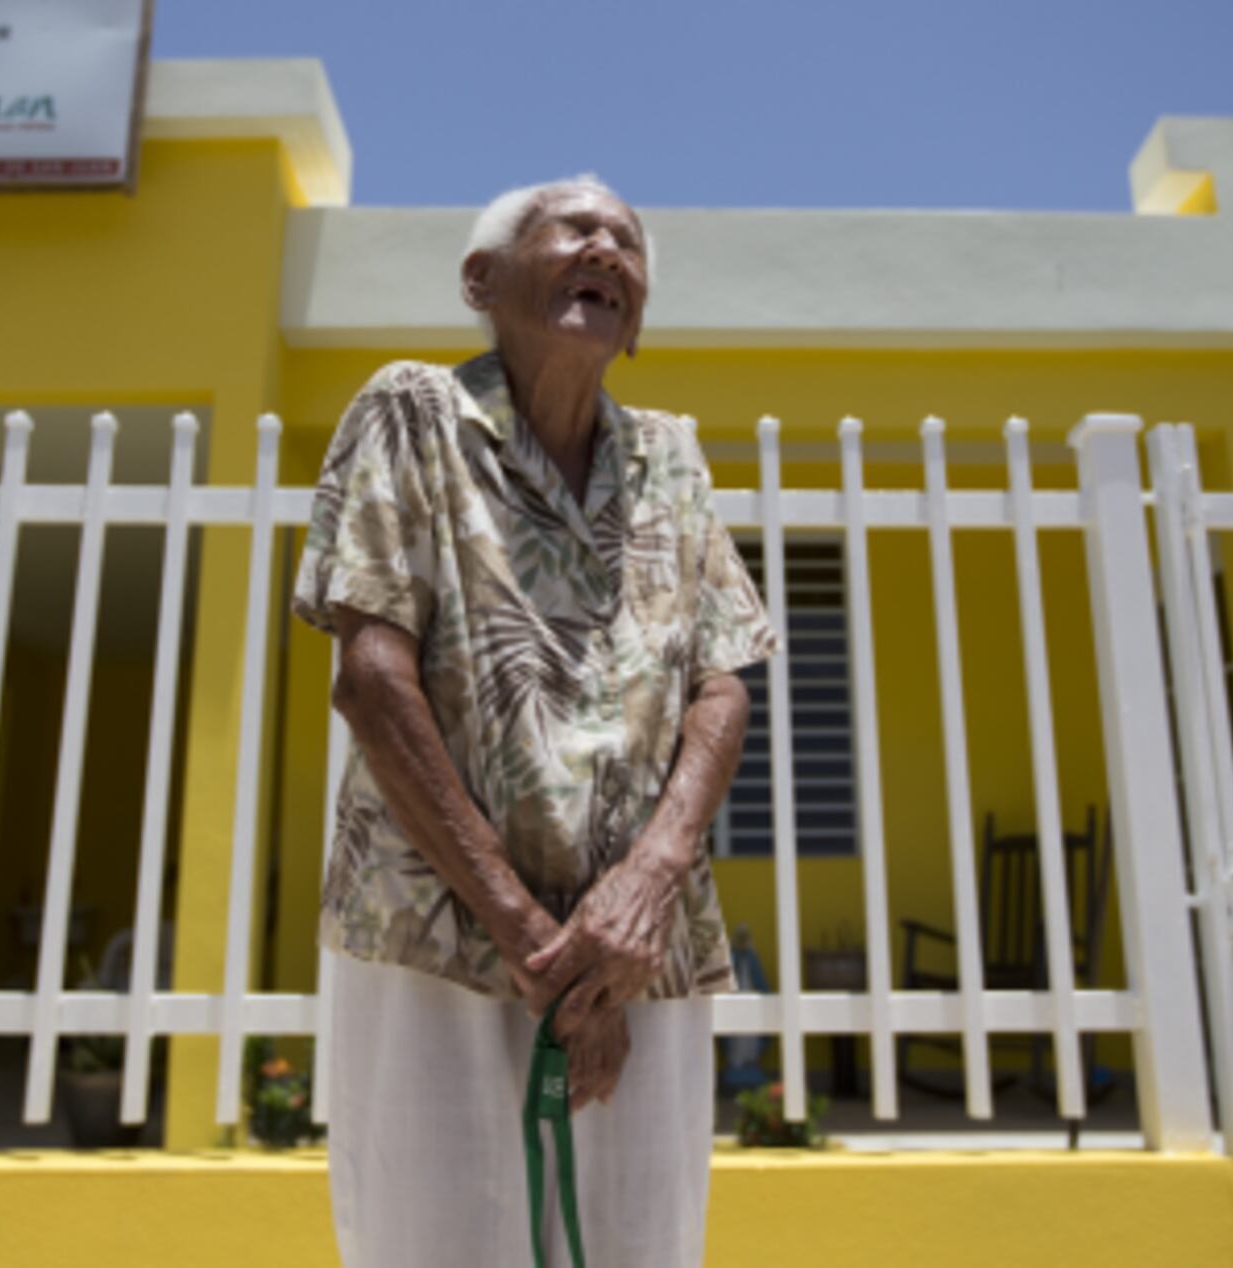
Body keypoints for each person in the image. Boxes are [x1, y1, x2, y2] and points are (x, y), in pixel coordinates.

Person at [292, 174, 775, 1267]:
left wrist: (645, 885)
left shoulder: (671, 457)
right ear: (482, 280)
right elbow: (372, 675)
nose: (608, 247)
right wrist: (535, 943)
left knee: (639, 1245)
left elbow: (724, 680)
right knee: (439, 1243)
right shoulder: (411, 411)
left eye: (629, 242)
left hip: (636, 947)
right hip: (440, 935)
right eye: (576, 229)